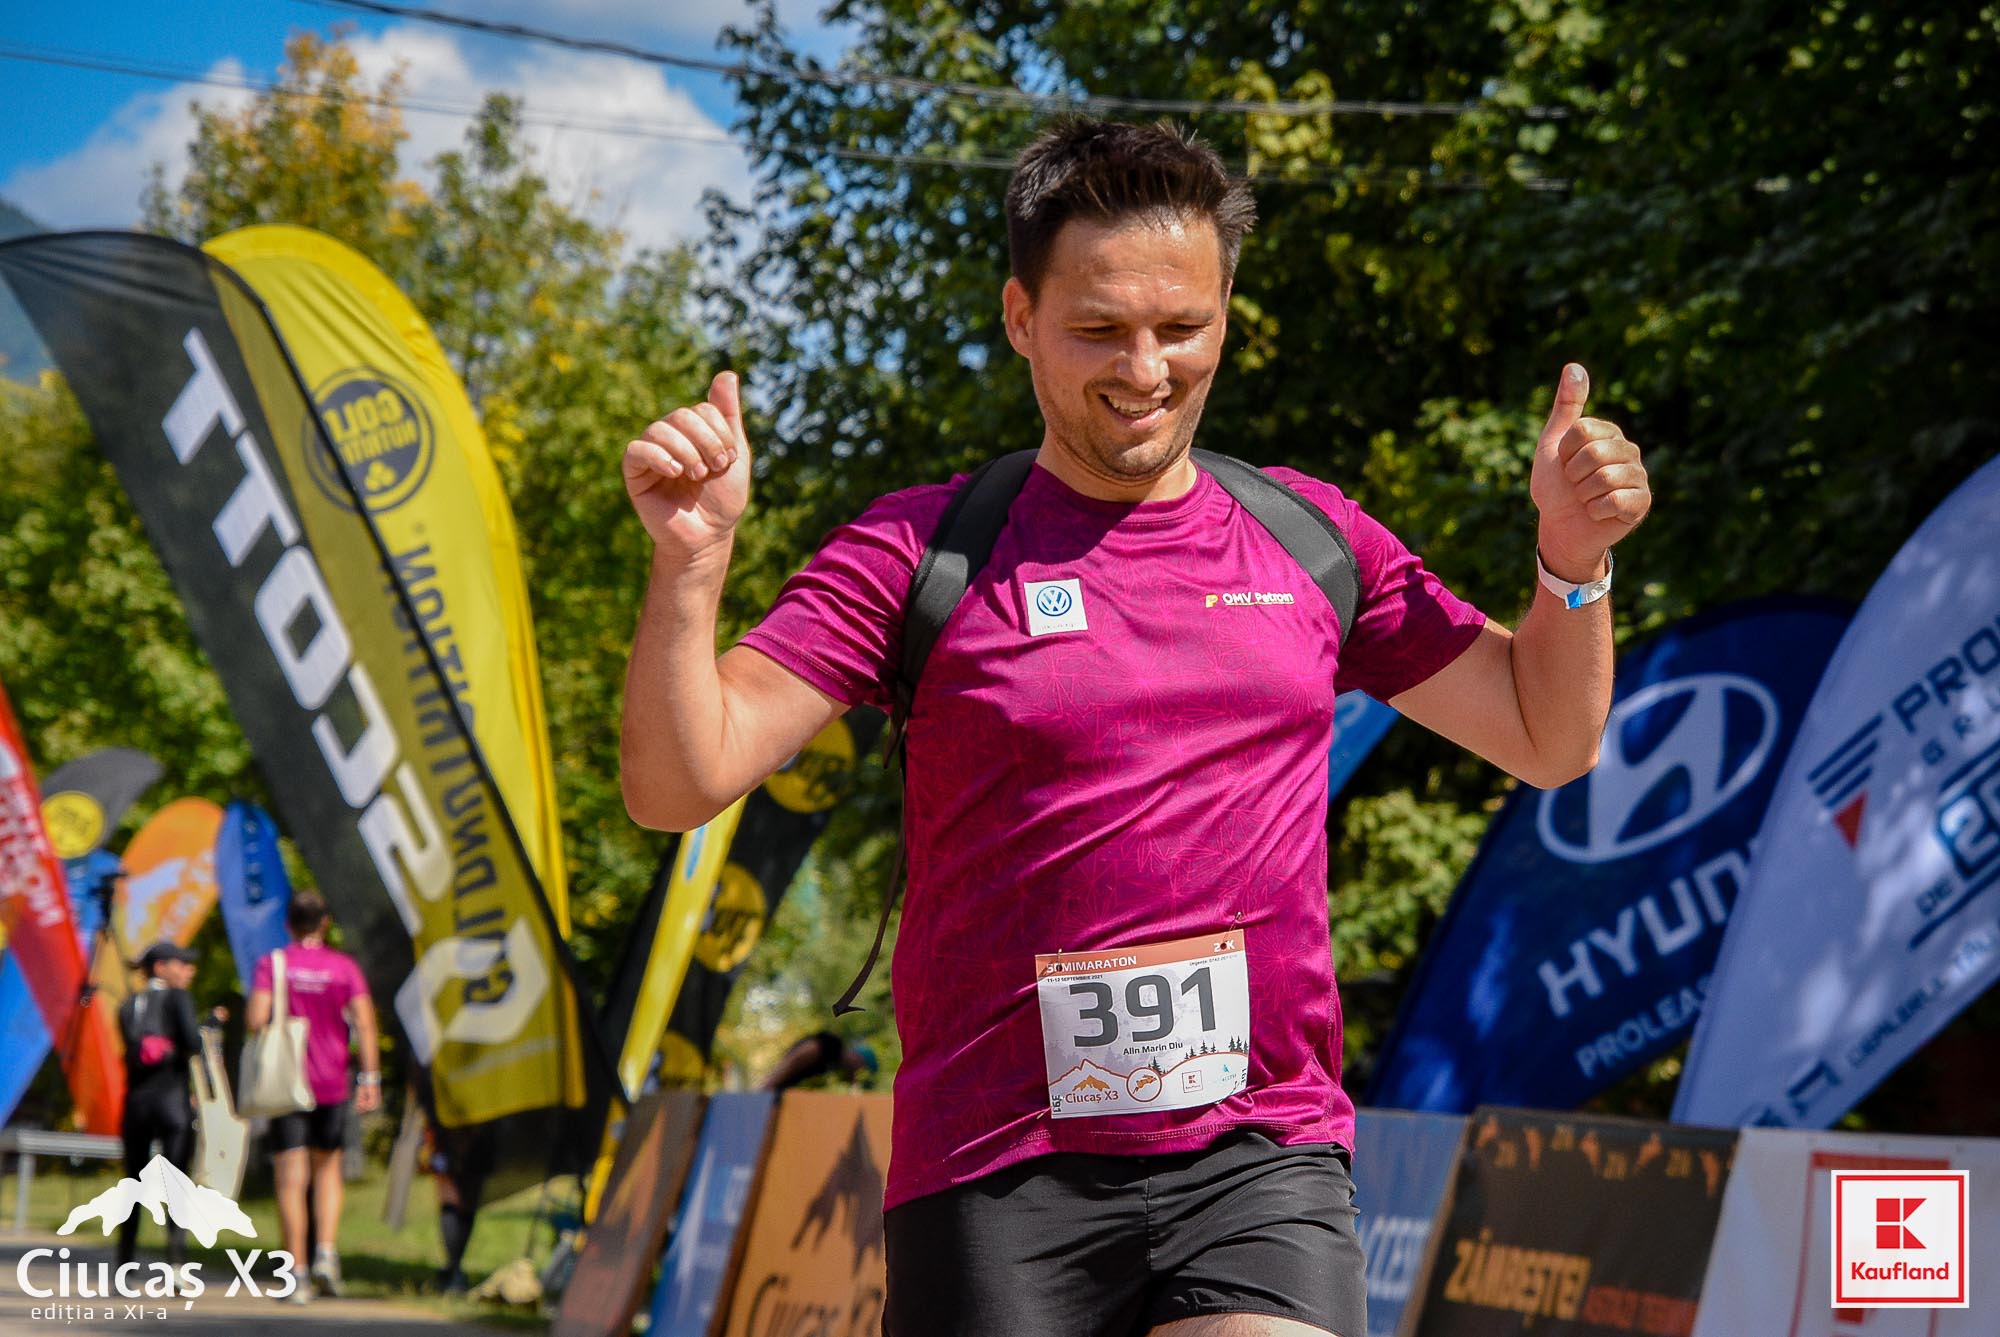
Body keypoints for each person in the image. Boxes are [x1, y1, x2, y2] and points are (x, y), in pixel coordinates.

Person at [618, 118, 1650, 1337]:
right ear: (1019, 317)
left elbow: (1544, 733)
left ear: (1226, 315)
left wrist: (1570, 562)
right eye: (1099, 329)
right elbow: (679, 781)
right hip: (996, 1163)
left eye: (1181, 327)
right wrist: (690, 568)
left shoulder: (1311, 539)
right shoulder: (920, 551)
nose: (1145, 368)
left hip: (1260, 1152)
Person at [246, 891, 379, 1302]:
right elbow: (366, 1022)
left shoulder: (274, 964)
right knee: (328, 1171)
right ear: (325, 923)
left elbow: (256, 1019)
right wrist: (370, 1078)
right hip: (332, 1082)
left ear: (288, 924)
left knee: (290, 1179)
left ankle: (297, 1274)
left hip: (287, 1084)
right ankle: (326, 1253)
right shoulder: (343, 967)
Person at [115, 941, 206, 1268]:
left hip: (137, 1103)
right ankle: (176, 1261)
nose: (187, 970)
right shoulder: (178, 998)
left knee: (132, 1184)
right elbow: (193, 1042)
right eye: (180, 964)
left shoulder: (130, 1004)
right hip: (172, 1102)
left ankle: (125, 1262)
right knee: (176, 1182)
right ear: (160, 967)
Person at [759, 1030, 880, 1092]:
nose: (856, 1074)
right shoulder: (833, 1046)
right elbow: (803, 1053)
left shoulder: (835, 1066)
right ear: (858, 1059)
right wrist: (769, 1085)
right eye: (861, 1069)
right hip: (775, 1088)